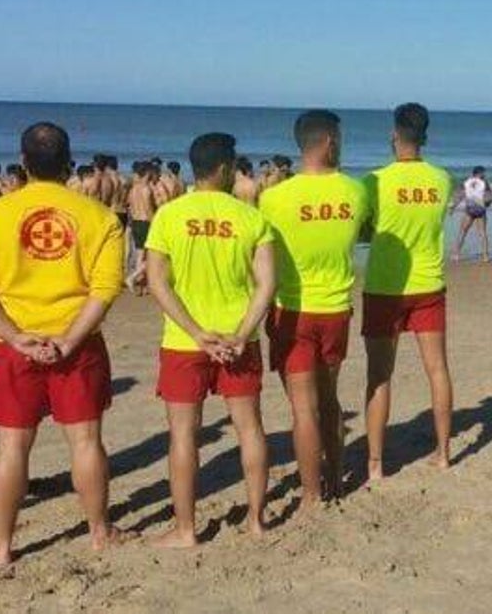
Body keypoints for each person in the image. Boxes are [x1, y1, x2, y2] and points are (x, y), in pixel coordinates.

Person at [0, 122, 128, 565]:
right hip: (77, 344)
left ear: (22, 163)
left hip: (13, 345)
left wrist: (16, 337)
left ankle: (1, 544)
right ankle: (99, 532)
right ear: (70, 163)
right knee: (86, 442)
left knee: (11, 447)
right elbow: (105, 289)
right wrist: (70, 340)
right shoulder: (100, 217)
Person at [144, 133, 274, 547]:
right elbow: (267, 284)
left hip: (185, 342)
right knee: (249, 427)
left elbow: (158, 283)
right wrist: (240, 332)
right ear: (223, 168)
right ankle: (256, 520)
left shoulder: (169, 215)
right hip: (239, 339)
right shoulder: (251, 217)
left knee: (183, 435)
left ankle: (186, 530)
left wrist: (197, 333)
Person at [259, 110, 368, 504]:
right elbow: (364, 231)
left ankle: (309, 495)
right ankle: (336, 478)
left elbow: (259, 257)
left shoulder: (272, 198)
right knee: (330, 400)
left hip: (291, 310)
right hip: (336, 310)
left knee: (303, 410)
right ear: (328, 142)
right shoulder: (356, 192)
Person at [362, 103, 455, 480]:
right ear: (425, 136)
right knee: (437, 370)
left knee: (379, 375)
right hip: (429, 282)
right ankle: (444, 453)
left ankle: (375, 464)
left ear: (393, 135)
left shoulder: (374, 181)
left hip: (386, 286)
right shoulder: (442, 179)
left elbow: (366, 230)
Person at [126, 161, 158, 294]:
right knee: (150, 256)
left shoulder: (133, 189)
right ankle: (133, 277)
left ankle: (142, 284)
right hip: (146, 222)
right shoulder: (147, 189)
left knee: (140, 255)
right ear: (147, 173)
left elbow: (131, 207)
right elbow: (149, 209)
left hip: (136, 222)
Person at [452, 166, 492, 263]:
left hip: (469, 209)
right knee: (482, 233)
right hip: (480, 209)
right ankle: (485, 256)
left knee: (462, 232)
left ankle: (456, 254)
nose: (484, 175)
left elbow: (461, 195)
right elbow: (490, 197)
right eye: (483, 173)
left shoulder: (466, 182)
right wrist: (487, 204)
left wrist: (453, 206)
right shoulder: (484, 183)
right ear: (479, 173)